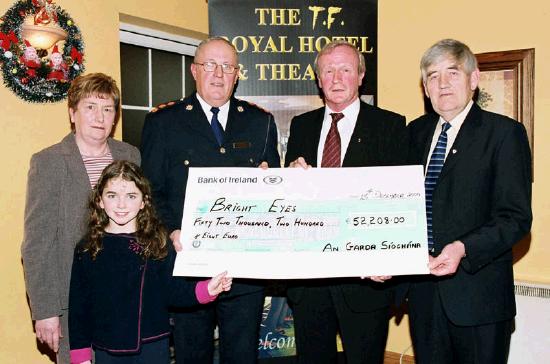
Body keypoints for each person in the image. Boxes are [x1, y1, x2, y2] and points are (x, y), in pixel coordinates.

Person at [140, 36, 280, 364]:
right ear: (194, 71)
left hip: (245, 271)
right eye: (210, 65)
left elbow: (273, 191)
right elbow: (151, 190)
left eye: (227, 66)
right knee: (192, 355)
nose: (219, 73)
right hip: (189, 267)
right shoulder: (163, 122)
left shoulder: (261, 122)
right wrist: (172, 230)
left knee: (242, 356)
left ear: (237, 74)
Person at [406, 39, 532, 364]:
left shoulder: (505, 134)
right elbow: (395, 206)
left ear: (474, 80)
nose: (442, 84)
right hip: (424, 298)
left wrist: (463, 247)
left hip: (480, 300)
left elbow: (515, 218)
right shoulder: (413, 133)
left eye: (452, 73)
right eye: (432, 76)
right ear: (425, 87)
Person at [284, 40, 408, 364]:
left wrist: (390, 259)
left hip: (365, 283)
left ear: (361, 76)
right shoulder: (301, 126)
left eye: (345, 70)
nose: (336, 79)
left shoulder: (391, 126)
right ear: (318, 78)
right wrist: (289, 180)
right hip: (309, 282)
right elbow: (291, 204)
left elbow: (401, 203)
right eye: (328, 70)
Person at [21, 73, 141, 363]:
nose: (99, 116)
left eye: (108, 109)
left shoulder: (130, 155)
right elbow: (36, 244)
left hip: (126, 300)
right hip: (73, 302)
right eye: (90, 107)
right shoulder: (48, 162)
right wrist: (46, 311)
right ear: (72, 113)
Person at [68, 160, 233, 364]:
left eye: (131, 196)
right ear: (100, 200)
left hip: (152, 344)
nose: (121, 204)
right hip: (107, 347)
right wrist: (80, 356)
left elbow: (174, 290)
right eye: (112, 196)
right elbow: (79, 307)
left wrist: (208, 289)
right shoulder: (87, 247)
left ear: (144, 201)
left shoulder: (158, 242)